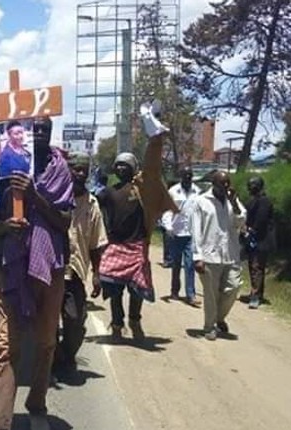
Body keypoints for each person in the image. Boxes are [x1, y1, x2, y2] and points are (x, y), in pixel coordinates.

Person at [0, 116, 74, 430]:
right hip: (13, 268)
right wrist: (5, 226)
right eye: (31, 128)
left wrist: (35, 195)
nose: (36, 133)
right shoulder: (5, 166)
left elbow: (64, 222)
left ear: (50, 133)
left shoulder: (59, 170)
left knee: (46, 342)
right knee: (5, 348)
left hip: (48, 270)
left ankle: (37, 400)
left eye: (43, 129)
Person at [97, 102, 177, 342]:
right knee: (114, 289)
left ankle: (135, 320)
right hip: (115, 246)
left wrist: (154, 140)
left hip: (136, 246)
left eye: (126, 164)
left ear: (133, 168)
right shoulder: (108, 192)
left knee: (137, 290)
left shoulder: (142, 187)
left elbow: (152, 168)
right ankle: (117, 324)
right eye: (118, 164)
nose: (121, 167)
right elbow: (92, 208)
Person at [54, 153, 108, 376]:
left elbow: (96, 244)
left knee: (75, 321)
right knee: (45, 323)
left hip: (75, 273)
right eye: (76, 168)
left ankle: (66, 355)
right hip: (51, 270)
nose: (80, 173)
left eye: (84, 169)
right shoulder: (53, 197)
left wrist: (97, 274)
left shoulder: (92, 204)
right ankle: (52, 357)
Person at [190, 171, 246, 341]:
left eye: (228, 183)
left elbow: (240, 222)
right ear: (213, 184)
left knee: (234, 286)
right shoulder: (201, 202)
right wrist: (197, 257)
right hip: (209, 255)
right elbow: (196, 231)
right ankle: (210, 326)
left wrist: (234, 202)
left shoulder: (233, 202)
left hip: (231, 253)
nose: (226, 187)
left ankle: (219, 317)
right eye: (223, 184)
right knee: (211, 294)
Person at [161, 166, 202, 306]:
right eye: (185, 175)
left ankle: (191, 295)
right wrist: (168, 227)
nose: (188, 178)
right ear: (181, 176)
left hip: (191, 234)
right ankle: (174, 291)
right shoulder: (173, 191)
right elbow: (166, 210)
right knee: (176, 264)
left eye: (190, 175)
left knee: (190, 265)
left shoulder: (197, 191)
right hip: (176, 233)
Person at [245, 176, 274, 309]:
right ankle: (258, 293)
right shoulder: (254, 200)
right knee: (254, 266)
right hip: (254, 238)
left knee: (257, 267)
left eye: (252, 185)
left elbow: (261, 219)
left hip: (261, 239)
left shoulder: (264, 201)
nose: (249, 188)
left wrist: (251, 230)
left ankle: (255, 296)